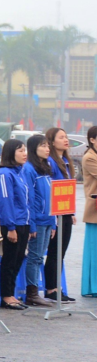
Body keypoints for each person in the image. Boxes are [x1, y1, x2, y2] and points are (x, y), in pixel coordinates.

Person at [0, 139, 30, 309]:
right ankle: (6, 296)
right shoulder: (5, 174)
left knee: (18, 259)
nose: (25, 154)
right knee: (9, 260)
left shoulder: (20, 173)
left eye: (25, 150)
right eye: (21, 150)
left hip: (24, 222)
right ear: (10, 153)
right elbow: (5, 202)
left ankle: (11, 293)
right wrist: (10, 227)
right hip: (12, 224)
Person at [21, 134, 56, 308]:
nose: (47, 149)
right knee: (34, 257)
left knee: (40, 257)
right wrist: (32, 224)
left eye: (48, 145)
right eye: (43, 146)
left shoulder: (46, 166)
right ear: (34, 148)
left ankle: (36, 293)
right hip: (37, 220)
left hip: (48, 219)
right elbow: (30, 199)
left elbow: (52, 196)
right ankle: (32, 294)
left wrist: (54, 221)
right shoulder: (28, 169)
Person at [43, 126, 77, 301]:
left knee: (61, 251)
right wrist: (54, 216)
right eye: (61, 137)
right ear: (52, 141)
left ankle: (58, 288)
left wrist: (71, 212)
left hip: (65, 211)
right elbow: (50, 188)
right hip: (55, 212)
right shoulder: (50, 161)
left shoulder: (65, 160)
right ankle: (51, 289)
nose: (65, 140)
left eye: (66, 136)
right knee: (54, 251)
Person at [81, 126, 97, 297]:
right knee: (94, 250)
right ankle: (93, 287)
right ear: (92, 139)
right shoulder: (89, 158)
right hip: (95, 209)